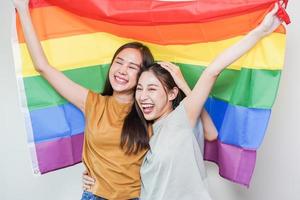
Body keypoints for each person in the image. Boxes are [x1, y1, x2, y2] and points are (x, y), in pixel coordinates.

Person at [13, 1, 218, 199]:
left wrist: (182, 85)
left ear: (143, 75)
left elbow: (210, 133)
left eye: (132, 67)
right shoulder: (92, 103)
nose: (122, 70)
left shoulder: (150, 112)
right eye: (119, 62)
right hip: (94, 196)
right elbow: (43, 67)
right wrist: (22, 9)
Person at [132, 4, 282, 200]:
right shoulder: (152, 132)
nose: (143, 96)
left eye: (152, 88)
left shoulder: (179, 119)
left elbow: (213, 71)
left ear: (171, 94)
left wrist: (260, 31)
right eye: (139, 89)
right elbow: (210, 133)